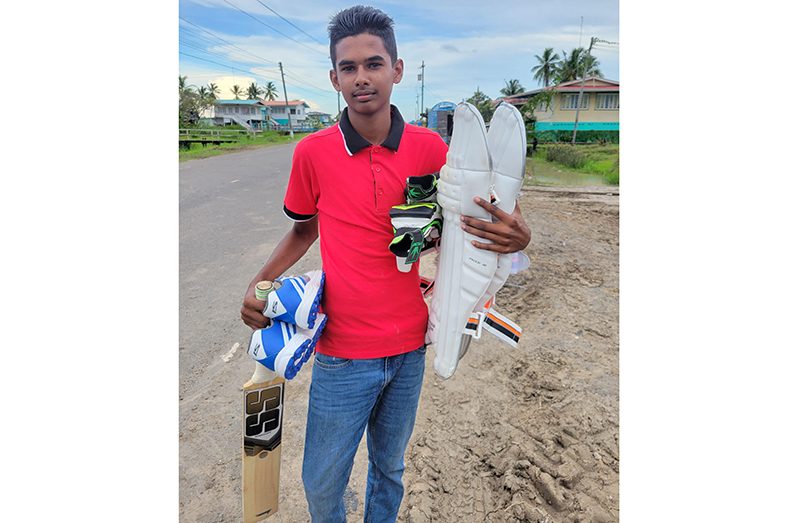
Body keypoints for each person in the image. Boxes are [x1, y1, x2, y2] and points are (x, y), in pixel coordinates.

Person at [240, 5, 531, 522]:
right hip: (342, 355)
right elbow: (305, 228)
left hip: (410, 350)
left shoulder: (431, 149)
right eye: (348, 68)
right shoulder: (312, 153)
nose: (361, 78)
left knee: (389, 470)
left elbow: (480, 211)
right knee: (323, 481)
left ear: (397, 69)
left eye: (373, 64)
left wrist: (519, 233)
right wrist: (260, 282)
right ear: (334, 78)